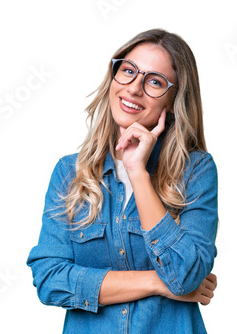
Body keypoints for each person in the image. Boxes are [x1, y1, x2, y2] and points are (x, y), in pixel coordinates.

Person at [27, 28, 219, 333]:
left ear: (173, 100)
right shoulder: (69, 173)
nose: (133, 88)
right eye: (128, 71)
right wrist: (158, 283)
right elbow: (50, 280)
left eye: (154, 81)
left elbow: (185, 275)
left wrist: (137, 173)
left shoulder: (195, 171)